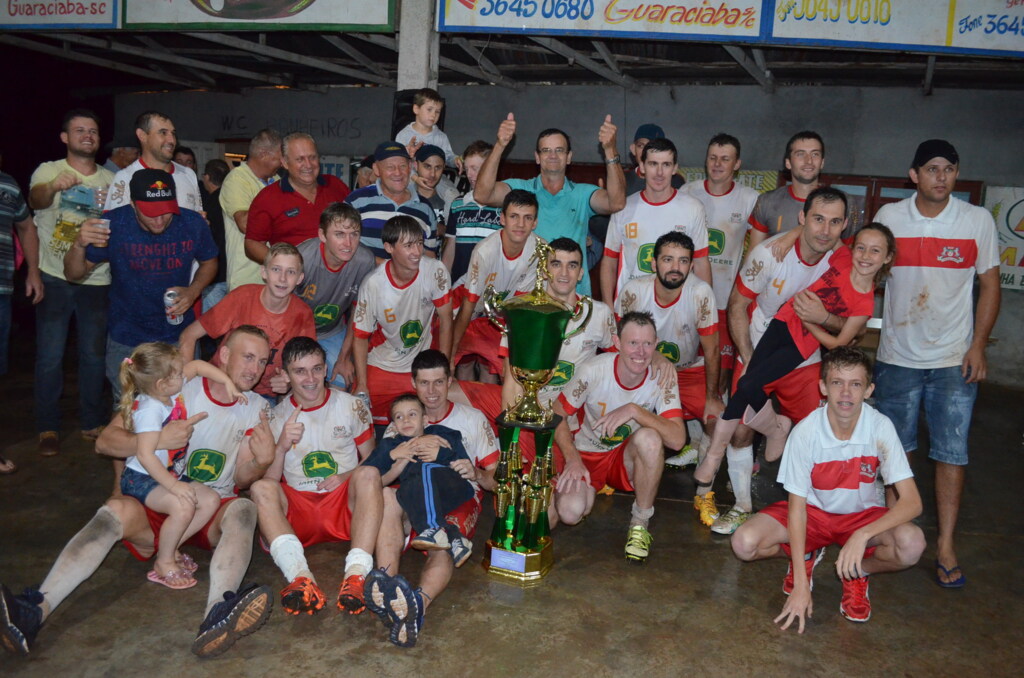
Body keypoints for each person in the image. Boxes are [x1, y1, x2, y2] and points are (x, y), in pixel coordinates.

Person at [0, 327, 278, 657]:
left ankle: (218, 614)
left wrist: (263, 461)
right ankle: (35, 609)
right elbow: (105, 442)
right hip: (161, 499)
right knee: (114, 512)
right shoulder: (173, 383)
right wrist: (158, 440)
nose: (255, 369)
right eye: (248, 357)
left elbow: (243, 478)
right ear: (225, 355)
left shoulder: (258, 407)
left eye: (262, 361)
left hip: (208, 510)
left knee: (245, 510)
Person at [872, 139, 1000, 588]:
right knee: (894, 452)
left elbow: (989, 285)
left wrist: (978, 345)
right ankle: (891, 534)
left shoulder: (976, 221)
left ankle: (945, 544)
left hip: (952, 361)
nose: (940, 177)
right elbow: (864, 271)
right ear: (914, 175)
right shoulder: (889, 218)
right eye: (931, 169)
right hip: (896, 359)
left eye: (948, 169)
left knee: (951, 454)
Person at [731, 347, 926, 630]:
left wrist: (863, 535)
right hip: (813, 514)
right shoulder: (806, 433)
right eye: (837, 383)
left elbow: (912, 503)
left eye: (855, 384)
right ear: (823, 387)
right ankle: (807, 557)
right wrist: (800, 584)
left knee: (912, 544)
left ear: (868, 390)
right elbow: (797, 510)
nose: (846, 393)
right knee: (744, 544)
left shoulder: (880, 427)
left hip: (862, 516)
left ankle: (856, 571)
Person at [692, 186, 849, 531]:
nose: (825, 230)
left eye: (834, 222)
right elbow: (736, 305)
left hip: (804, 359)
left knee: (816, 434)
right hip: (759, 346)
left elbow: (847, 325)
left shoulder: (844, 263)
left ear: (844, 225)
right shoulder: (768, 254)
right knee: (741, 431)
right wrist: (748, 357)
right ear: (802, 218)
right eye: (818, 219)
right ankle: (742, 505)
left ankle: (816, 511)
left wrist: (823, 316)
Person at [367, 348, 498, 648]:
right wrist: (400, 455)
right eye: (424, 383)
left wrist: (475, 473)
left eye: (439, 382)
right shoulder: (400, 420)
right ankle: (388, 584)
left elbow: (495, 480)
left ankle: (417, 605)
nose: (432, 391)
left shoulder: (472, 419)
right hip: (414, 495)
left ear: (450, 380)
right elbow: (379, 477)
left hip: (458, 498)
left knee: (442, 542)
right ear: (413, 383)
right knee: (387, 497)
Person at [249, 337, 383, 616]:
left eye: (316, 369)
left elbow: (373, 460)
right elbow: (271, 483)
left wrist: (346, 475)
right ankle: (300, 578)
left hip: (342, 504)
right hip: (299, 509)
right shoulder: (274, 416)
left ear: (325, 369)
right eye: (300, 371)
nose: (310, 378)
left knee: (368, 474)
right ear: (285, 375)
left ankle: (356, 576)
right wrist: (282, 445)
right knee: (260, 488)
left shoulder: (351, 406)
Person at [64, 168, 218, 400]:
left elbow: (210, 262)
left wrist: (193, 291)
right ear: (134, 204)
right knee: (126, 407)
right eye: (150, 212)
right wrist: (78, 244)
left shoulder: (191, 222)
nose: (159, 220)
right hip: (127, 337)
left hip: (177, 334)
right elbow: (73, 273)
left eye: (165, 212)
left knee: (182, 404)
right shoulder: (114, 224)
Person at [552, 312, 685, 563]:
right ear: (617, 342)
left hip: (620, 458)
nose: (641, 352)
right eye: (633, 343)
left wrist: (635, 411)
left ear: (656, 344)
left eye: (647, 344)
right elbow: (557, 416)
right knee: (570, 513)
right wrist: (572, 459)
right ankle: (583, 488)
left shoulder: (663, 377)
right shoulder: (594, 370)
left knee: (650, 439)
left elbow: (677, 439)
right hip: (584, 453)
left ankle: (640, 523)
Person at [116, 342, 240, 589]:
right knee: (184, 506)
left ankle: (169, 548)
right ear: (162, 383)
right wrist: (174, 486)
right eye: (178, 374)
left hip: (165, 472)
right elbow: (145, 454)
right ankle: (163, 562)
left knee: (210, 500)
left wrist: (227, 381)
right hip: (141, 478)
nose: (184, 375)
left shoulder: (167, 391)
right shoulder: (150, 408)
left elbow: (197, 366)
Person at [28, 108, 114, 457]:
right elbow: (35, 201)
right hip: (54, 275)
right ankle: (47, 426)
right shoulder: (49, 170)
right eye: (79, 130)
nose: (87, 136)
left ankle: (91, 422)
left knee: (94, 356)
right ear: (65, 137)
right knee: (49, 356)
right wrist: (53, 187)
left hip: (98, 278)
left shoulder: (111, 179)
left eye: (92, 130)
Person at [474, 113, 626, 295]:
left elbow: (616, 202)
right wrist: (500, 145)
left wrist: (610, 149)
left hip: (574, 298)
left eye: (559, 150)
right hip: (529, 296)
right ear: (537, 157)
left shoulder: (582, 194)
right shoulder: (521, 190)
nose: (552, 155)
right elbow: (482, 194)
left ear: (569, 157)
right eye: (546, 150)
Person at [615, 231, 724, 466]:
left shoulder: (701, 293)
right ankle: (619, 465)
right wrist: (655, 356)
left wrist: (713, 397)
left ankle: (703, 487)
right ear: (654, 263)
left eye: (683, 261)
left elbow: (713, 350)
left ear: (692, 265)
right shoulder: (633, 291)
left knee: (721, 424)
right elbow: (619, 344)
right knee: (618, 413)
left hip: (687, 371)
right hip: (643, 371)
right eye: (668, 260)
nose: (676, 267)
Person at [178, 242, 316, 402]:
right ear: (264, 272)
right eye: (276, 269)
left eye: (290, 272)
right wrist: (184, 389)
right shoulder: (242, 297)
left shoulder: (303, 314)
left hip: (264, 395)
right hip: (220, 381)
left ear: (300, 278)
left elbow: (305, 368)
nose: (283, 278)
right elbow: (188, 335)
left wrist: (289, 383)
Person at [352, 215, 453, 425]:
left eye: (419, 243)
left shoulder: (435, 270)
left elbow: (445, 320)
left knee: (446, 412)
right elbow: (360, 337)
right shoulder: (373, 284)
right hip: (384, 363)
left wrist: (442, 368)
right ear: (389, 247)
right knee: (358, 416)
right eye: (408, 245)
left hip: (423, 363)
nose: (417, 252)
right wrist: (362, 384)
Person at [679, 133, 759, 395]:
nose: (717, 164)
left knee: (721, 374)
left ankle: (714, 424)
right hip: (687, 298)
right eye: (712, 157)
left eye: (725, 159)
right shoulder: (688, 192)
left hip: (726, 302)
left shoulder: (750, 199)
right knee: (686, 367)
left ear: (737, 164)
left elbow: (760, 250)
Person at [600, 136, 711, 305]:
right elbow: (609, 261)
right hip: (630, 307)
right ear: (642, 167)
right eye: (653, 164)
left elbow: (701, 262)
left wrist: (705, 309)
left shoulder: (693, 208)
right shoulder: (623, 208)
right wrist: (607, 308)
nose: (659, 173)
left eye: (666, 165)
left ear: (675, 168)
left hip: (677, 309)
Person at [364, 395, 474, 560]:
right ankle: (454, 538)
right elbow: (369, 478)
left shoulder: (442, 434)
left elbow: (463, 466)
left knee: (423, 467)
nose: (406, 420)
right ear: (393, 425)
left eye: (412, 414)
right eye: (399, 417)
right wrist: (393, 455)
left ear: (425, 420)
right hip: (422, 497)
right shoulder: (390, 445)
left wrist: (441, 454)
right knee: (403, 491)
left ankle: (432, 528)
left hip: (452, 488)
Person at [451, 189, 540, 382]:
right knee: (462, 359)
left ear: (535, 222)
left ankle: (486, 410)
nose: (520, 224)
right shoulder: (485, 251)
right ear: (502, 219)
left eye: (527, 218)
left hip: (501, 310)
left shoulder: (538, 250)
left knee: (492, 363)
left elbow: (519, 307)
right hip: (467, 302)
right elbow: (468, 304)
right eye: (514, 216)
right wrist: (450, 352)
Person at [295, 202, 376, 389]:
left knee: (342, 381)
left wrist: (344, 357)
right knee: (298, 384)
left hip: (331, 331)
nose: (348, 244)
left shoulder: (364, 261)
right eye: (339, 234)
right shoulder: (303, 257)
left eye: (354, 235)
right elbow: (282, 309)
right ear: (322, 235)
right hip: (295, 332)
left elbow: (358, 312)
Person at [244, 133, 350, 264]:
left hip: (342, 275)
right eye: (300, 159)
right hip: (297, 280)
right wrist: (285, 265)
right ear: (285, 163)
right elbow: (252, 244)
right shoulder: (267, 198)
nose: (308, 165)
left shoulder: (336, 186)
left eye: (312, 157)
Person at [345, 141, 438, 260]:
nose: (398, 173)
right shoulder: (355, 201)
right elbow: (342, 247)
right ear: (377, 169)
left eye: (403, 166)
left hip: (411, 279)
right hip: (363, 278)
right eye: (390, 167)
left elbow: (429, 255)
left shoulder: (425, 208)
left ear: (410, 167)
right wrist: (384, 266)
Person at [105, 111, 201, 213]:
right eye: (163, 133)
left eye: (173, 133)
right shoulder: (124, 178)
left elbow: (198, 220)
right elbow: (116, 225)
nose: (172, 140)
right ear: (142, 135)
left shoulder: (188, 174)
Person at [221, 129, 283, 290]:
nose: (283, 163)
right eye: (278, 158)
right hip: (247, 280)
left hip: (276, 277)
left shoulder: (276, 180)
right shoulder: (237, 179)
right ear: (263, 154)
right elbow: (244, 224)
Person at [442, 140, 502, 281]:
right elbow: (450, 248)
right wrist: (443, 284)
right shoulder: (458, 205)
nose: (469, 174)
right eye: (467, 169)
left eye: (475, 168)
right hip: (459, 285)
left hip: (492, 285)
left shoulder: (505, 205)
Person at [394, 87, 456, 167]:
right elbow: (397, 161)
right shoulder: (403, 135)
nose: (433, 115)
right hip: (410, 177)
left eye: (437, 112)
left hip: (433, 177)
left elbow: (447, 157)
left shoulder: (441, 137)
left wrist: (456, 160)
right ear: (416, 109)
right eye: (429, 109)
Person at [200, 158, 231, 310]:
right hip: (233, 273)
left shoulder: (207, 206)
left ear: (206, 177)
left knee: (211, 328)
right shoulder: (232, 199)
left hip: (214, 275)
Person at [411, 144, 458, 234]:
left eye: (438, 167)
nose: (432, 174)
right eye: (427, 166)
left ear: (444, 168)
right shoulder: (404, 193)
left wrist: (444, 230)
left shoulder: (451, 199)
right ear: (416, 165)